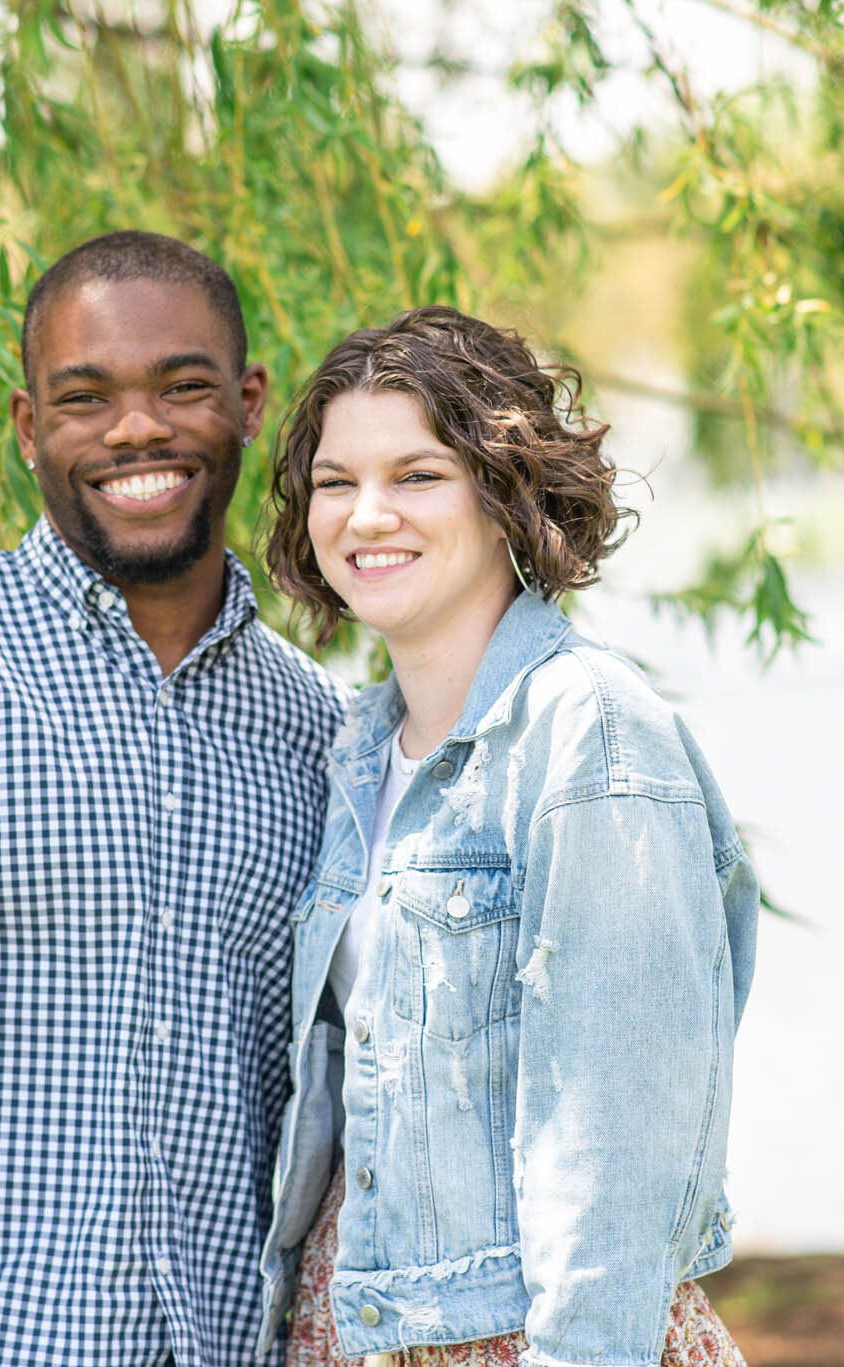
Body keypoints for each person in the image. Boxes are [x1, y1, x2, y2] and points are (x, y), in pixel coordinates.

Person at [0, 231, 344, 1367]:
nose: (138, 429)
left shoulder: (321, 732)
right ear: (31, 427)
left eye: (182, 387)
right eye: (86, 398)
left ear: (245, 403)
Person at [255, 306, 757, 1367]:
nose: (365, 513)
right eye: (335, 482)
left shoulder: (591, 737)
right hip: (356, 1327)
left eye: (416, 474)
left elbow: (615, 1144)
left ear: (502, 493)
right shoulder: (353, 754)